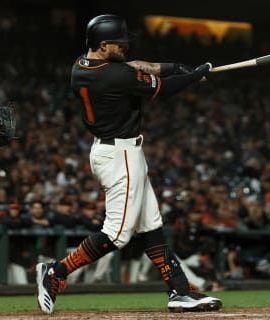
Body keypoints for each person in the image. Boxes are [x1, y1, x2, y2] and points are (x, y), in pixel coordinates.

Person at [36, 13, 221, 314]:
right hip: (119, 155)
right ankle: (55, 272)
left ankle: (180, 291)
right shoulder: (114, 76)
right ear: (104, 44)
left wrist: (178, 67)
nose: (125, 48)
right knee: (117, 235)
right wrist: (194, 76)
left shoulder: (82, 66)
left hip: (116, 151)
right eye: (120, 44)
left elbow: (136, 67)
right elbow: (165, 88)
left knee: (151, 227)